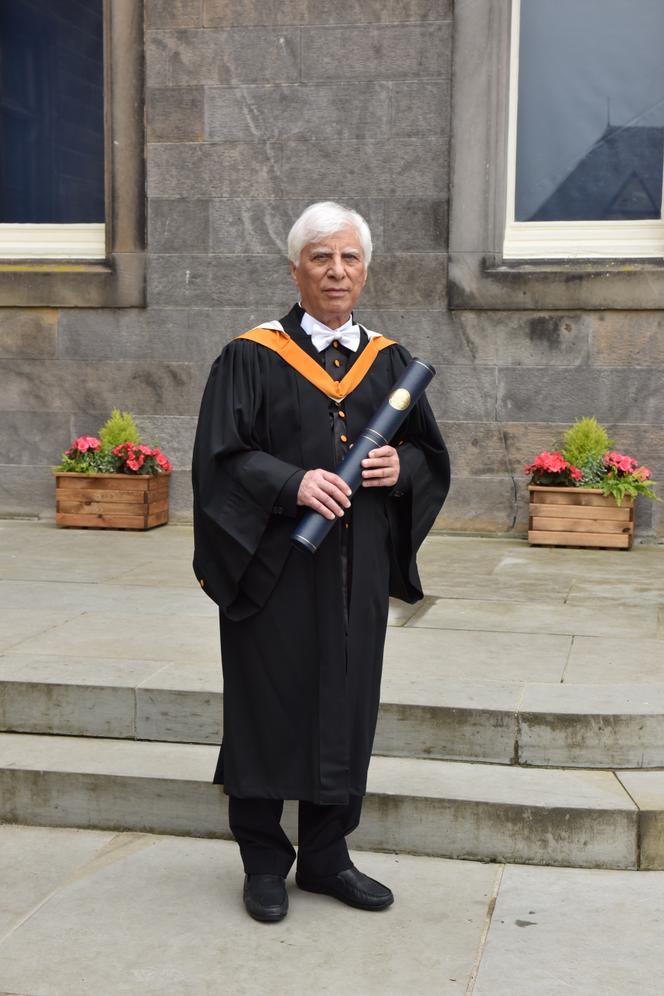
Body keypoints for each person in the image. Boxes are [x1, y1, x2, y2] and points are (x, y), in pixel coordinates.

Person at [192, 201, 450, 922]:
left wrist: (402, 470)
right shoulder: (251, 356)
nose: (337, 272)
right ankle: (264, 861)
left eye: (350, 259)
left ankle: (328, 858)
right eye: (321, 258)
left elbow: (430, 457)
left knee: (346, 703)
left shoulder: (392, 362)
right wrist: (291, 481)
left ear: (365, 270)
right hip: (273, 568)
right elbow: (220, 459)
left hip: (356, 572)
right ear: (295, 267)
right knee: (266, 705)